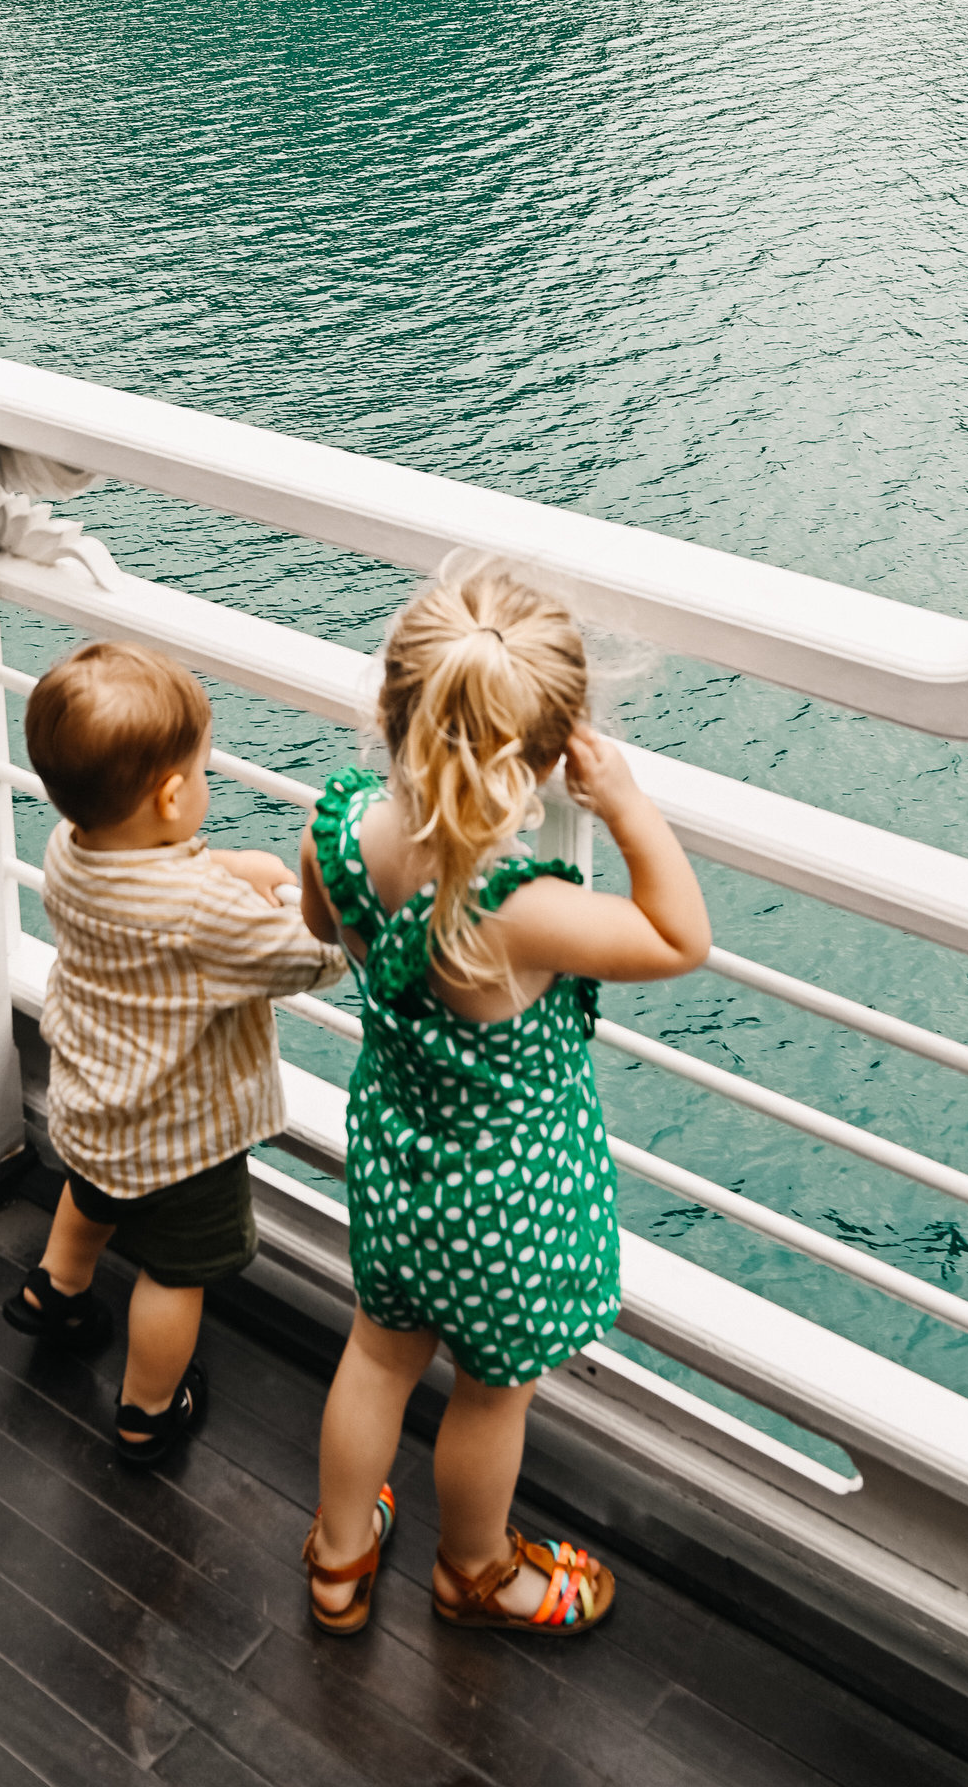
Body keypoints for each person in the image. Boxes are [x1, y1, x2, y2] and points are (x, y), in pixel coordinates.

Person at [297, 560, 710, 1636]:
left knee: (377, 1351)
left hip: (395, 1160)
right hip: (508, 1207)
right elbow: (679, 937)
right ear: (536, 766)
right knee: (488, 1394)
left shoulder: (337, 828)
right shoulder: (518, 913)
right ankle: (473, 1568)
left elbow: (314, 924)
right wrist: (621, 803)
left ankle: (339, 1561)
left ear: (392, 715)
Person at [3, 638, 348, 1466]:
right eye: (199, 775)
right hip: (182, 1140)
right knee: (176, 1272)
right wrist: (319, 884)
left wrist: (227, 865)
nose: (203, 785)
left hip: (92, 1104)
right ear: (168, 796)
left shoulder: (72, 847)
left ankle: (55, 1291)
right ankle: (149, 1409)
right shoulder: (198, 914)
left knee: (91, 1197)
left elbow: (158, 884)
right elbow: (314, 958)